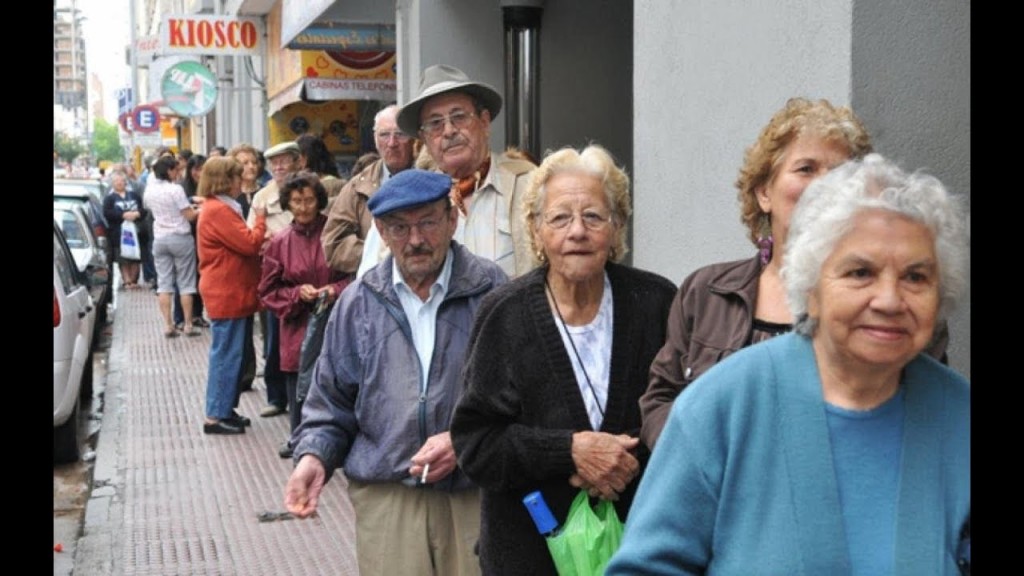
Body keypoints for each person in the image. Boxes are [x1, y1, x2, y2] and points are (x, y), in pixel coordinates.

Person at [606, 153, 970, 574]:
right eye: (860, 273)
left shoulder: (959, 418)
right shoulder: (722, 408)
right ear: (811, 286)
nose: (889, 300)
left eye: (916, 277)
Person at [639, 97, 950, 449]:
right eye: (806, 169)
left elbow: (924, 418)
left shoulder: (897, 307)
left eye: (840, 172)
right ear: (764, 193)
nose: (823, 185)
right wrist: (700, 460)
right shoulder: (705, 291)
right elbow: (660, 399)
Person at [449, 145, 677, 575]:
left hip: (641, 551)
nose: (577, 231)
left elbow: (685, 423)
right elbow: (476, 445)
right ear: (536, 231)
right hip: (530, 554)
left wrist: (621, 461)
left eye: (593, 216)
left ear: (618, 226)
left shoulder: (658, 303)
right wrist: (568, 452)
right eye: (559, 218)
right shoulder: (505, 315)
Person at [284, 169, 508, 576]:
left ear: (452, 219)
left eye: (428, 222)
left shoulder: (492, 291)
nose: (416, 240)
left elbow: (520, 396)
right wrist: (314, 456)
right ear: (382, 234)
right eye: (399, 228)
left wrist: (464, 440)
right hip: (388, 496)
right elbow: (331, 402)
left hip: (474, 492)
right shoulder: (358, 303)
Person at [394, 64, 539, 278]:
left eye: (459, 117)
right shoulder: (407, 200)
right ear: (424, 139)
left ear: (484, 122)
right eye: (435, 123)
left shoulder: (530, 187)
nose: (449, 131)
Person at [258, 171, 351, 458]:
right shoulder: (280, 242)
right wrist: (297, 294)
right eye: (297, 201)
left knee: (338, 384)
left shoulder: (334, 234)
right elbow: (267, 291)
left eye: (309, 200)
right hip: (297, 325)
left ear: (319, 201)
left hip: (336, 322)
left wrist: (334, 290)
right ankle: (299, 437)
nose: (303, 207)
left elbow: (355, 275)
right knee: (299, 385)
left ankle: (339, 439)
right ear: (288, 203)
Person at [196, 156, 268, 435]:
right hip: (226, 291)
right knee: (226, 354)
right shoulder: (218, 210)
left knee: (233, 353)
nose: (243, 180)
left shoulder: (220, 207)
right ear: (226, 180)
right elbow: (249, 243)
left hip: (231, 290)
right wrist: (260, 221)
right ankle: (215, 415)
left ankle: (226, 408)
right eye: (238, 177)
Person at [321, 103, 415, 275]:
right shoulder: (357, 187)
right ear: (375, 140)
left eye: (400, 134)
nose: (392, 143)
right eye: (384, 135)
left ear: (414, 137)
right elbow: (333, 244)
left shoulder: (432, 177)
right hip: (376, 288)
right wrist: (379, 254)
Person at [248, 141, 301, 419]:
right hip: (276, 273)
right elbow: (252, 235)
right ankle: (277, 396)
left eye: (284, 161)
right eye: (274, 163)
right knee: (274, 339)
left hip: (307, 270)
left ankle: (304, 396)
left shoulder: (307, 188)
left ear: (297, 161)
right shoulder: (262, 197)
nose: (279, 167)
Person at [144, 155, 201, 338]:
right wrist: (202, 209)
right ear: (169, 171)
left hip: (160, 238)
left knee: (164, 284)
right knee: (186, 283)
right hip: (180, 238)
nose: (179, 173)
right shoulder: (175, 190)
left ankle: (168, 325)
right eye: (176, 170)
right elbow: (189, 215)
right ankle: (188, 324)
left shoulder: (149, 191)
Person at [227, 143, 264, 394]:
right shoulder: (231, 199)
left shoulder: (265, 192)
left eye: (253, 162)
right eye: (244, 163)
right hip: (243, 264)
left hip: (266, 262)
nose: (250, 167)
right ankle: (245, 372)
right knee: (244, 320)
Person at [173, 154, 208, 330]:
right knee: (185, 278)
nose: (199, 173)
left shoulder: (209, 188)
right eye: (196, 169)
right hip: (187, 237)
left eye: (203, 169)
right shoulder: (182, 188)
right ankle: (180, 317)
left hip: (205, 237)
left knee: (201, 277)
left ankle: (197, 314)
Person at [102, 170, 144, 289]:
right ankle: (127, 280)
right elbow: (107, 213)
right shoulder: (109, 199)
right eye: (116, 181)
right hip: (119, 233)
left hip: (136, 231)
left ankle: (134, 280)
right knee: (123, 258)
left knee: (136, 257)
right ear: (113, 183)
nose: (120, 183)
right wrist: (122, 215)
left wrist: (136, 214)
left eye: (122, 181)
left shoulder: (134, 196)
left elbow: (142, 209)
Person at [295, 133, 345, 200]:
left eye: (297, 157)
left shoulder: (322, 185)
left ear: (305, 158)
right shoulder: (339, 183)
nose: (295, 161)